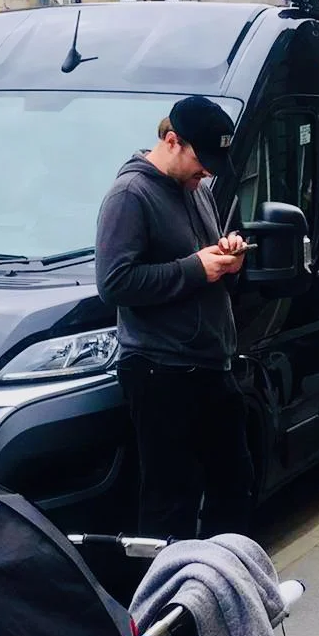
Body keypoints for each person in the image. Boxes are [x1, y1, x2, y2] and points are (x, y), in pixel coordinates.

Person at [95, 96, 255, 538]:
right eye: (203, 161)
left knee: (234, 483)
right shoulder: (130, 194)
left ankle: (224, 586)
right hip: (160, 369)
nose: (208, 172)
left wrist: (227, 259)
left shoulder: (197, 191)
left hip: (208, 364)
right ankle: (164, 599)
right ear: (172, 141)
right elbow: (114, 283)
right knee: (172, 499)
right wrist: (195, 268)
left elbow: (202, 265)